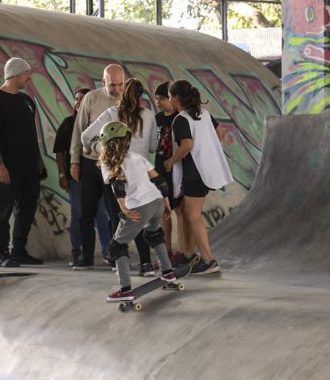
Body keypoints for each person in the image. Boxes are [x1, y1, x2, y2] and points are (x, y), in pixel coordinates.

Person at [81, 78, 158, 276]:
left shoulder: (111, 113)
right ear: (142, 95)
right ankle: (146, 264)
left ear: (123, 91)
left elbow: (85, 136)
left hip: (116, 173)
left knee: (118, 217)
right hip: (140, 174)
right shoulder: (149, 115)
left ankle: (119, 263)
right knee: (139, 217)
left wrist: (100, 148)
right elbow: (152, 147)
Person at [97, 121, 177, 302]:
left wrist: (123, 208)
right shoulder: (137, 157)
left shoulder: (108, 163)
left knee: (116, 246)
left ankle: (125, 289)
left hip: (139, 206)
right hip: (156, 201)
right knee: (154, 233)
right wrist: (166, 202)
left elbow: (117, 185)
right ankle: (168, 272)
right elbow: (160, 181)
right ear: (126, 140)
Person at [163, 80, 232, 275]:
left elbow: (186, 145)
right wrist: (208, 148)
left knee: (193, 216)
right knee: (186, 213)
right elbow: (220, 132)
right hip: (204, 170)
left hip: (194, 173)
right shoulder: (204, 114)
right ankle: (188, 254)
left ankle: (209, 260)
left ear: (176, 98)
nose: (169, 100)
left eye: (169, 96)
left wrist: (170, 162)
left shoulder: (181, 119)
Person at [0, 57, 46, 267]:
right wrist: (0, 165)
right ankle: (2, 253)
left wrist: (39, 160)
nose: (29, 78)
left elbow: (33, 134)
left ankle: (19, 250)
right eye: (26, 74)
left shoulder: (26, 100)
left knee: (27, 209)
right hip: (8, 167)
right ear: (15, 73)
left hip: (30, 167)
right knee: (2, 211)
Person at [69, 64, 125, 271]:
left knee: (115, 211)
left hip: (114, 166)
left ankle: (114, 255)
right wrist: (74, 160)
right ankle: (86, 256)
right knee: (86, 212)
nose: (117, 89)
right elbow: (79, 129)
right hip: (90, 163)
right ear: (103, 82)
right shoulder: (91, 98)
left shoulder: (127, 101)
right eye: (112, 85)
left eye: (120, 84)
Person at [53, 87, 112, 267]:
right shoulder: (68, 123)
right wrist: (64, 173)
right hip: (77, 176)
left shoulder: (98, 122)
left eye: (83, 99)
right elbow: (60, 152)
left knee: (102, 214)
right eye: (77, 99)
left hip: (99, 173)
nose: (79, 102)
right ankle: (77, 252)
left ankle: (108, 251)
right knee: (79, 213)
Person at [153, 81, 185, 261]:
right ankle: (167, 251)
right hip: (160, 169)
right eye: (156, 98)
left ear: (172, 98)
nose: (158, 102)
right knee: (164, 211)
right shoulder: (156, 119)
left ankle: (181, 250)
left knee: (179, 210)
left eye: (163, 98)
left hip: (177, 170)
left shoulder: (180, 118)